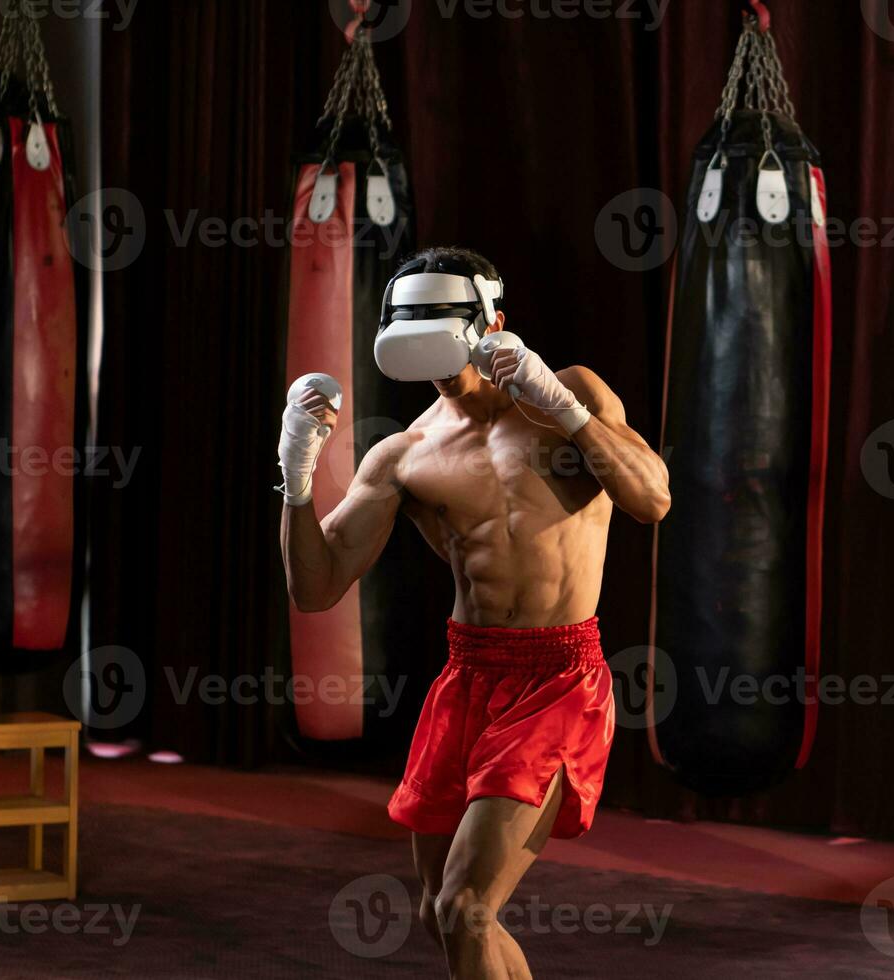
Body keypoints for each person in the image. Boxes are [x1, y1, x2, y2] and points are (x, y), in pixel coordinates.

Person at [276, 246, 670, 978]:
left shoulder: (572, 393)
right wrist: (296, 478)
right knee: (442, 913)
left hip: (559, 678)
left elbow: (651, 499)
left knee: (465, 908)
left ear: (492, 323)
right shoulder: (405, 452)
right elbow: (315, 587)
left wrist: (571, 413)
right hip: (467, 678)